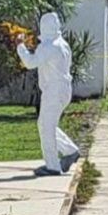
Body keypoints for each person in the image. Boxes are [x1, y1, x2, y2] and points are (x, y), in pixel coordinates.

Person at [17, 13, 81, 176]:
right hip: (63, 89)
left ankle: (52, 165)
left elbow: (30, 63)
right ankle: (70, 151)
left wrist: (20, 47)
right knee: (46, 125)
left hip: (53, 90)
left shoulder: (48, 46)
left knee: (46, 127)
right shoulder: (62, 44)